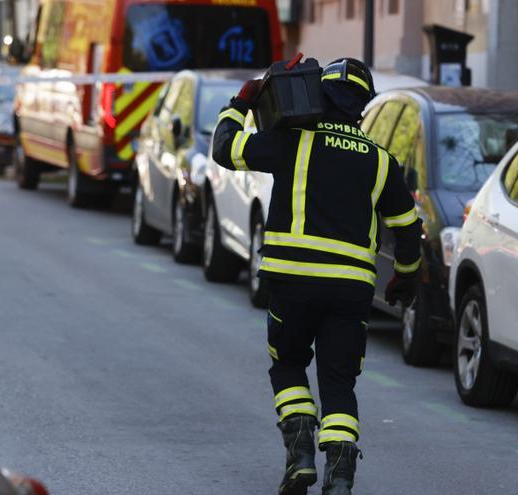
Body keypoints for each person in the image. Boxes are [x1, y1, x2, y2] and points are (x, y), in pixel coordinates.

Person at [211, 58, 421, 495]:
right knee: (338, 381)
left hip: (291, 283)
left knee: (288, 364)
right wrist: (405, 277)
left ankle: (300, 453)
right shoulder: (381, 161)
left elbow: (225, 148)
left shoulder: (291, 140)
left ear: (317, 94)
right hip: (351, 292)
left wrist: (243, 99)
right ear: (362, 107)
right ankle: (340, 476)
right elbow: (407, 227)